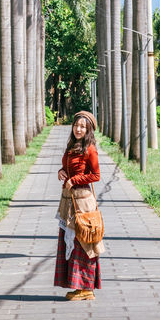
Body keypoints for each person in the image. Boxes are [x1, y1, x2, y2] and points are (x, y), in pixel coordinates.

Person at [54, 110, 104, 301]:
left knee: (83, 242)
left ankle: (86, 288)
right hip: (68, 201)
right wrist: (61, 171)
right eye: (76, 125)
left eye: (83, 126)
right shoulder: (71, 146)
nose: (78, 129)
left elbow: (96, 175)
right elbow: (68, 167)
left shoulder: (89, 148)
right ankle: (78, 286)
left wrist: (74, 180)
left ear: (88, 129)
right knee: (72, 243)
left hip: (83, 202)